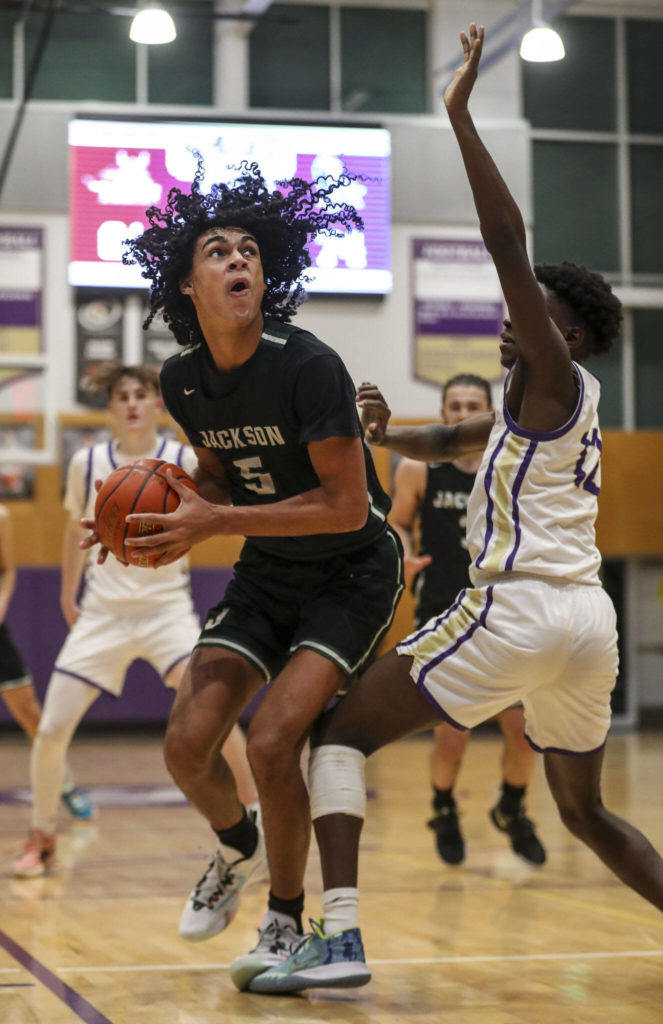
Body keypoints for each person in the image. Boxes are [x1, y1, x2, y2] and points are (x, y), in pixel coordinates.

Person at [247, 24, 663, 994]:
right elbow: (456, 442)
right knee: (585, 813)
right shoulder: (545, 408)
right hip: (583, 622)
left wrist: (461, 115)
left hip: (518, 608)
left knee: (335, 737)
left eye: (531, 313)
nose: (511, 319)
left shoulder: (551, 370)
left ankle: (338, 938)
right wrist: (392, 437)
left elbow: (507, 240)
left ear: (563, 332)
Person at [98, 160, 404, 990]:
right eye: (218, 252)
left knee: (273, 742)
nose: (238, 261)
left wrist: (213, 522)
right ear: (189, 285)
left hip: (351, 572)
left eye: (249, 253)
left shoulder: (307, 365)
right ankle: (236, 844)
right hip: (269, 571)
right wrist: (149, 522)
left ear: (267, 275)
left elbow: (346, 507)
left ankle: (284, 917)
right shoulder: (182, 379)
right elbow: (218, 482)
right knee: (186, 746)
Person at [11, 363, 255, 877]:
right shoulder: (87, 461)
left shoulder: (183, 459)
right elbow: (74, 527)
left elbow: (214, 519)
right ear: (111, 408)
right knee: (52, 727)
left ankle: (255, 819)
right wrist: (66, 592)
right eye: (122, 396)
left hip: (166, 612)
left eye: (141, 395)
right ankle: (42, 835)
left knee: (216, 717)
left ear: (157, 404)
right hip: (103, 614)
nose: (132, 404)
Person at [391, 373, 545, 867]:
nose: (461, 413)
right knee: (452, 738)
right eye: (453, 405)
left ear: (489, 411)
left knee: (524, 733)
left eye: (471, 404)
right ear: (443, 413)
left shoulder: (511, 466)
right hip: (444, 610)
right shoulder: (418, 468)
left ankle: (512, 807)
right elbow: (398, 520)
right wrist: (403, 554)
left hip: (505, 612)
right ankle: (442, 808)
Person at [0, 503, 93, 821]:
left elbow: (7, 570)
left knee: (28, 712)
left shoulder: (0, 516)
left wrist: (0, 605)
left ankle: (64, 785)